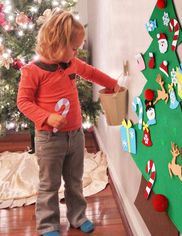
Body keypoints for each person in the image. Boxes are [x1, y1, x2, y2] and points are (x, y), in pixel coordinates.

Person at [17, 9, 120, 236]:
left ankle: (78, 216)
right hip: (49, 138)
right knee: (49, 184)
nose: (77, 52)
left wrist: (113, 84)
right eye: (74, 48)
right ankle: (47, 224)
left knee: (74, 180)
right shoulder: (32, 72)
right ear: (57, 44)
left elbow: (92, 73)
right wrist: (45, 116)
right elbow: (23, 102)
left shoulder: (71, 64)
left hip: (75, 135)